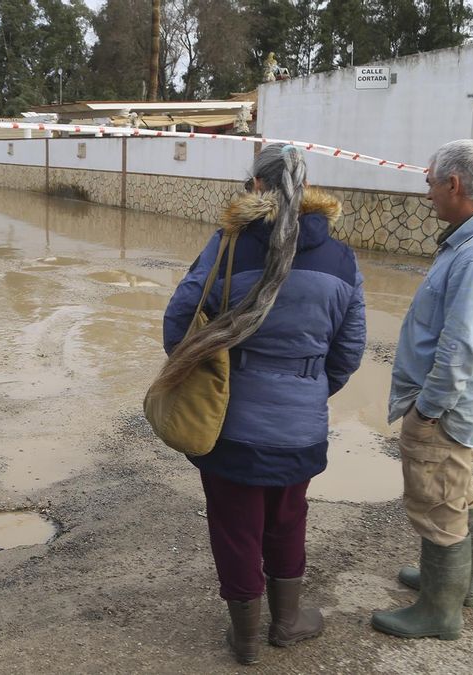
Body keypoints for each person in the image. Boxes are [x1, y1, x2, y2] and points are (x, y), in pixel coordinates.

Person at [161, 143, 366, 665]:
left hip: (229, 422)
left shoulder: (228, 246)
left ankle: (247, 638)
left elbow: (179, 322)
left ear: (256, 186)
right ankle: (288, 621)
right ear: (307, 188)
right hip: (301, 424)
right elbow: (348, 350)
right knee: (288, 516)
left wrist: (209, 378)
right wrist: (310, 389)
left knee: (235, 524)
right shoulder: (341, 258)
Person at [373, 139, 473, 640]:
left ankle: (440, 611)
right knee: (458, 494)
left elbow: (458, 350)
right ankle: (457, 585)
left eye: (430, 184)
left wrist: (426, 412)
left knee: (438, 505)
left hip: (447, 409)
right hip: (467, 403)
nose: (428, 194)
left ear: (454, 185)